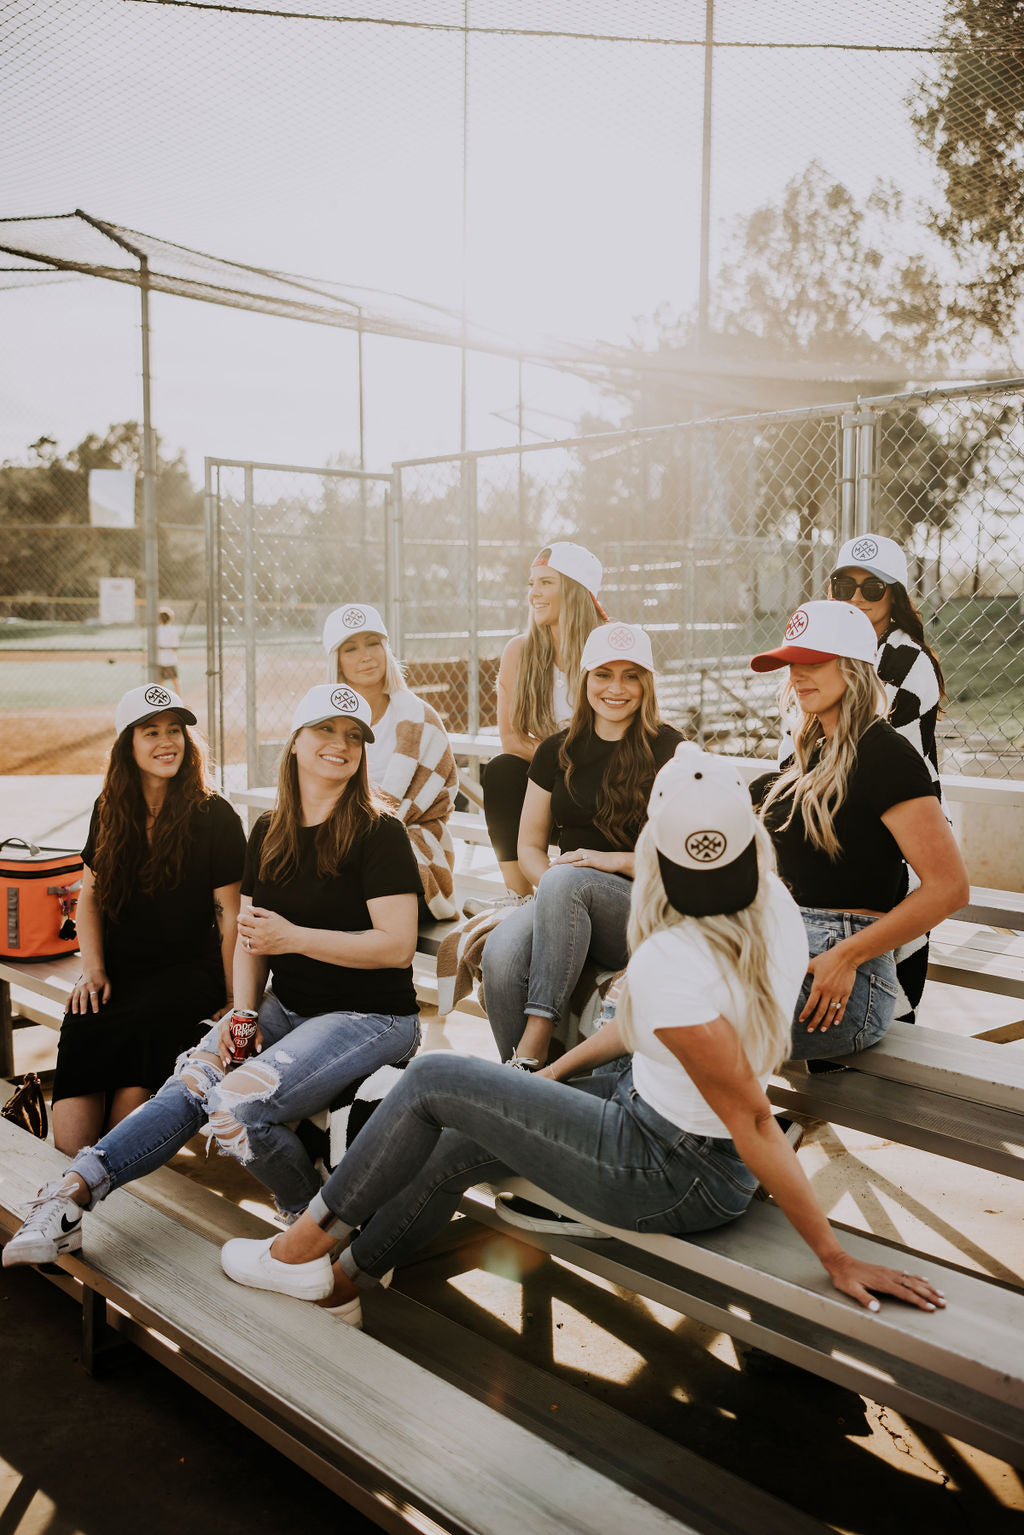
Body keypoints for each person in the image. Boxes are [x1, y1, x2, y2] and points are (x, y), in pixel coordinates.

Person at [216, 745, 946, 1328]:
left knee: (436, 1078)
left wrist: (834, 1255)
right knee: (458, 1133)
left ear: (652, 854)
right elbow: (637, 1029)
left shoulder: (669, 955)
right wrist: (547, 1075)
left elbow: (753, 1115)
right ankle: (340, 1281)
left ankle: (300, 1249)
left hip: (670, 1169)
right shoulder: (774, 905)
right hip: (662, 1122)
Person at [3, 684, 421, 1268]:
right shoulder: (271, 828)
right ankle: (68, 1197)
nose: (341, 744)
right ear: (296, 742)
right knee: (192, 1083)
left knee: (236, 1110)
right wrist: (245, 1012)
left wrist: (293, 939)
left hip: (371, 1016)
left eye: (353, 736)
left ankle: (314, 1231)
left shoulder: (380, 832)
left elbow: (396, 947)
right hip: (287, 1008)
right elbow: (251, 936)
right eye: (325, 730)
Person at [749, 601, 968, 1063]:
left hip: (844, 979)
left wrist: (845, 956)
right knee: (649, 995)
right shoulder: (810, 756)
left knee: (685, 1021)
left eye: (814, 661)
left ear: (854, 667)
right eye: (792, 663)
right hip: (784, 947)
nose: (797, 675)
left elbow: (949, 888)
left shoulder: (885, 754)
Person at [51, 682, 244, 1156]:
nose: (167, 741)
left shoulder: (213, 814)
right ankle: (62, 1214)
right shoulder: (110, 808)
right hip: (115, 975)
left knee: (117, 1140)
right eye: (151, 731)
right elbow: (90, 899)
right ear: (127, 745)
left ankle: (104, 1215)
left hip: (182, 981)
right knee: (70, 1142)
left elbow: (229, 915)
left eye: (175, 730)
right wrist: (93, 969)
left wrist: (233, 995)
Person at [481, 622, 683, 1070]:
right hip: (565, 895)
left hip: (639, 907)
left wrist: (609, 861)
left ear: (647, 683)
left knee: (569, 879)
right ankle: (526, 1083)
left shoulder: (671, 749)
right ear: (584, 679)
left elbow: (684, 857)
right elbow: (530, 846)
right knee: (500, 957)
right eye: (603, 674)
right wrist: (557, 885)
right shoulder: (557, 749)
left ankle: (535, 1045)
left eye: (631, 675)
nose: (616, 687)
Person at [828, 533, 948, 1018]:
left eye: (872, 588)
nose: (857, 598)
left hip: (894, 823)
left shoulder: (907, 660)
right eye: (844, 585)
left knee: (889, 977)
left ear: (894, 595)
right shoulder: (818, 649)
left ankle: (884, 1023)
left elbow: (870, 750)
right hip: (834, 814)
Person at [481, 542, 606, 899]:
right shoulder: (520, 651)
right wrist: (562, 764)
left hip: (605, 777)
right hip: (550, 777)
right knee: (503, 769)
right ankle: (519, 897)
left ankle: (577, 894)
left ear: (574, 589)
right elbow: (512, 738)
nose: (534, 593)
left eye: (546, 583)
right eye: (532, 583)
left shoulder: (606, 646)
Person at [323, 601, 458, 920]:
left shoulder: (420, 718)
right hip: (339, 838)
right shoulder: (323, 725)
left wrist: (376, 828)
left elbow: (441, 796)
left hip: (409, 848)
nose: (366, 655)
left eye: (373, 643)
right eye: (351, 649)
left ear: (386, 649)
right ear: (337, 662)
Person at [156, 607, 181, 689]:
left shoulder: (157, 630)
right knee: (175, 680)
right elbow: (175, 646)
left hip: (161, 659)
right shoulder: (173, 630)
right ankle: (179, 698)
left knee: (160, 682)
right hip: (170, 659)